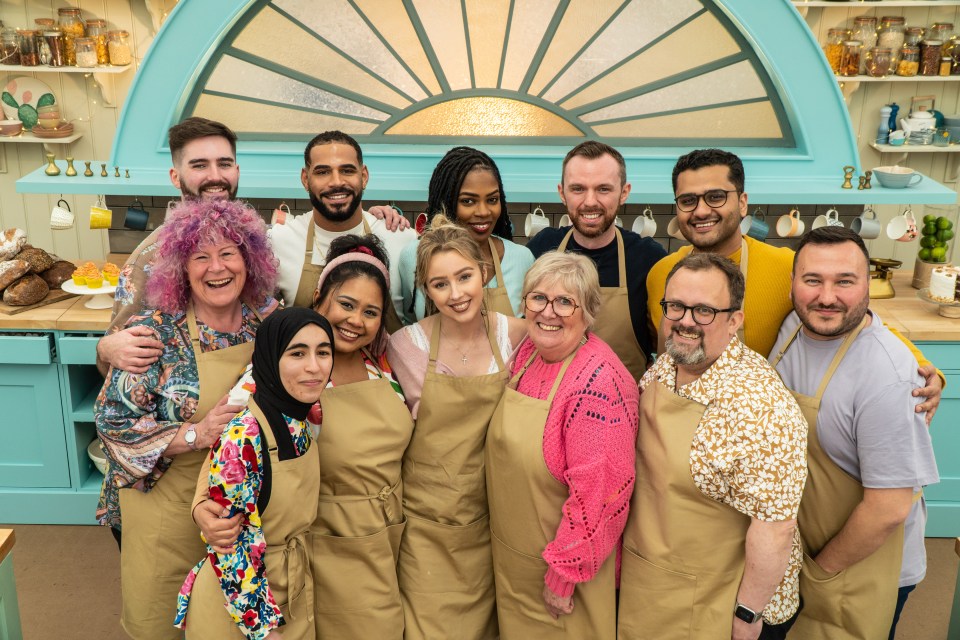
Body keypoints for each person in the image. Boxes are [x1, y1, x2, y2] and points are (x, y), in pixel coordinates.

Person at [194, 235, 414, 639]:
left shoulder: (385, 368)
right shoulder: (282, 379)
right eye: (346, 305)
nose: (355, 320)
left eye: (371, 312)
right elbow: (228, 451)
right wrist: (202, 507)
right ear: (320, 298)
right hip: (320, 549)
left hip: (384, 545)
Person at [94, 199, 279, 640]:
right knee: (162, 627)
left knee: (227, 624)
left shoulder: (266, 327)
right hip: (166, 518)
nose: (217, 268)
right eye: (200, 256)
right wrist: (198, 433)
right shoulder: (154, 332)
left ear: (250, 260)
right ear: (180, 268)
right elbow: (112, 423)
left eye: (228, 253)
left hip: (234, 518)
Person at [646, 148, 944, 421]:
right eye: (688, 201)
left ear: (743, 202)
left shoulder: (785, 267)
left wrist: (925, 370)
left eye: (715, 197)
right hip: (679, 423)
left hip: (760, 434)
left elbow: (861, 319)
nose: (700, 211)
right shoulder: (660, 274)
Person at [96, 122, 409, 376]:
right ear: (175, 176)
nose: (215, 176)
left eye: (224, 164)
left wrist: (375, 218)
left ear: (237, 171)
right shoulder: (151, 255)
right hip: (189, 418)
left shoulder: (255, 241)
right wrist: (104, 348)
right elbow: (115, 355)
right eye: (200, 165)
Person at [618, 253, 807, 640]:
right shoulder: (666, 366)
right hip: (657, 576)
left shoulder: (761, 405)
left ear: (734, 320)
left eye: (704, 310)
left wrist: (747, 615)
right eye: (676, 307)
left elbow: (776, 529)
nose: (686, 321)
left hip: (725, 598)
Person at [769, 228, 939, 640]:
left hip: (856, 562)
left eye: (845, 281)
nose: (827, 297)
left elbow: (888, 509)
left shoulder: (887, 373)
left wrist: (820, 571)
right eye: (813, 280)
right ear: (793, 283)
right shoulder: (793, 326)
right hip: (804, 548)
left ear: (868, 285)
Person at [387, 216, 526, 640]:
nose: (456, 293)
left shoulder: (517, 337)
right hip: (425, 531)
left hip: (496, 525)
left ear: (483, 273)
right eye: (439, 284)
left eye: (464, 276)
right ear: (425, 291)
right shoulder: (405, 346)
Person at [485, 251, 638, 638]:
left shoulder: (598, 384)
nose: (548, 312)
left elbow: (599, 496)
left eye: (565, 302)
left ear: (588, 313)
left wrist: (563, 576)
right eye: (538, 298)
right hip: (513, 564)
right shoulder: (526, 356)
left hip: (562, 583)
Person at [174, 307, 334, 640]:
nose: (314, 367)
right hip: (240, 608)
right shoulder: (244, 436)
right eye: (297, 353)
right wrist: (264, 630)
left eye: (323, 352)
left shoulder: (302, 420)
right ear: (270, 359)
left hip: (287, 588)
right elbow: (231, 547)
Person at [526, 141, 666, 382]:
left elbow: (666, 342)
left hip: (624, 406)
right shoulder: (540, 249)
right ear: (562, 193)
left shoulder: (650, 259)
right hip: (546, 400)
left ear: (624, 192)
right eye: (578, 189)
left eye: (603, 189)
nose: (590, 201)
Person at [270, 130, 417, 328]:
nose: (336, 182)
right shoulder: (278, 242)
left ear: (363, 176)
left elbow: (422, 325)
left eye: (347, 170)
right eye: (323, 172)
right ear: (305, 179)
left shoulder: (400, 239)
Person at [398, 146, 534, 321]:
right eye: (468, 201)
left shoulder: (522, 259)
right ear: (445, 202)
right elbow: (409, 324)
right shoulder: (414, 256)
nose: (484, 212)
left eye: (492, 200)